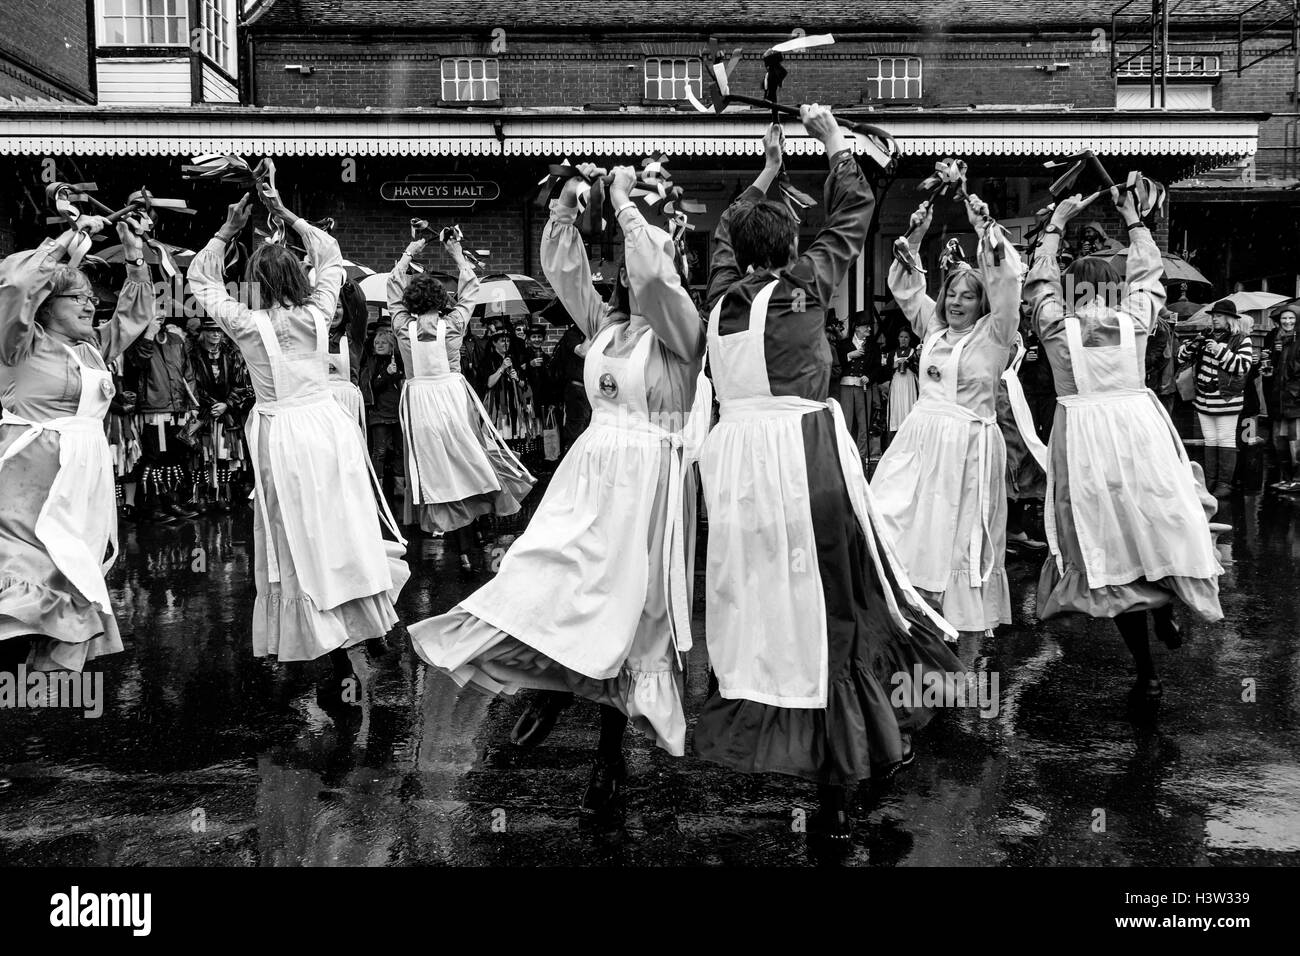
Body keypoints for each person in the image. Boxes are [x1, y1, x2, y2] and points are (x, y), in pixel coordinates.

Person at [409, 162, 708, 817]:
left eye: (638, 260)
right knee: (545, 575)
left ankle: (604, 751)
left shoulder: (682, 335)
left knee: (630, 614)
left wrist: (627, 206)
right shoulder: (605, 323)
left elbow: (657, 277)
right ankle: (551, 682)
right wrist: (569, 206)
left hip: (648, 490)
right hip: (590, 476)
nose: (628, 271)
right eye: (626, 261)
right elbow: (564, 269)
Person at [694, 110, 960, 845]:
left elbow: (723, 235)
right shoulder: (805, 285)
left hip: (737, 469)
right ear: (787, 247)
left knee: (769, 610)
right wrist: (833, 141)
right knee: (833, 611)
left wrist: (767, 175)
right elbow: (852, 212)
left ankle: (795, 738)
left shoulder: (716, 297)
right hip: (803, 456)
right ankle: (841, 785)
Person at [187, 183, 409, 708]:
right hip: (327, 427)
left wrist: (229, 229)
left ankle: (329, 646)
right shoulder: (318, 311)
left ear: (259, 283)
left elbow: (200, 279)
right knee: (341, 524)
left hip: (282, 432)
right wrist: (283, 210)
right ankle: (363, 619)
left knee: (296, 538)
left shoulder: (244, 323)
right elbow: (330, 256)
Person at [1025, 188, 1222, 704]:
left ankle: (1146, 668)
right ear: (1115, 290)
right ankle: (1165, 608)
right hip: (1138, 433)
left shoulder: (1055, 326)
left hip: (1086, 443)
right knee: (1153, 525)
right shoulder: (1135, 320)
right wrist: (1135, 220)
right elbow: (1150, 275)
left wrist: (1054, 228)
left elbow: (1037, 286)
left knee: (1109, 548)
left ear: (1071, 294)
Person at [0, 215, 153, 672]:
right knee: (19, 584)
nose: (90, 306)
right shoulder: (17, 345)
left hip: (80, 490)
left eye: (92, 298)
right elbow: (15, 283)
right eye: (77, 298)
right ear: (45, 304)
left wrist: (134, 253)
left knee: (62, 582)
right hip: (27, 487)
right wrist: (69, 236)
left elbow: (136, 315)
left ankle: (21, 675)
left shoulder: (91, 348)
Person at [876, 194, 1023, 633]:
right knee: (892, 519)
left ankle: (966, 639)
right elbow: (907, 288)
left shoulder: (996, 335)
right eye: (952, 294)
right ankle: (918, 621)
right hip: (920, 448)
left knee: (961, 543)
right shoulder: (933, 328)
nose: (957, 302)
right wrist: (916, 235)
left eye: (968, 296)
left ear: (983, 304)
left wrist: (985, 231)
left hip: (969, 452)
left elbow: (1007, 288)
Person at [386, 227, 533, 571]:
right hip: (452, 397)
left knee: (438, 473)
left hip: (420, 403)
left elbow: (393, 284)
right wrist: (455, 252)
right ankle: (480, 528)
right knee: (473, 460)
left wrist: (411, 250)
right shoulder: (453, 324)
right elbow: (470, 288)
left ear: (410, 303)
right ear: (440, 301)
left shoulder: (400, 325)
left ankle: (463, 547)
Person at [128, 309, 200, 521]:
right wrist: (148, 333)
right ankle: (152, 506)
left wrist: (193, 403)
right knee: (153, 458)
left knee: (174, 457)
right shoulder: (137, 340)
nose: (159, 315)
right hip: (153, 408)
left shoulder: (176, 339)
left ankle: (172, 502)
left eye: (161, 312)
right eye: (153, 312)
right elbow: (137, 363)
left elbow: (188, 372)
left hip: (178, 407)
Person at [1178, 299, 1254, 497]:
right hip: (1203, 398)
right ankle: (1210, 481)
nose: (1214, 320)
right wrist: (1192, 346)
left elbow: (1242, 368)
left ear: (1230, 318)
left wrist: (1220, 352)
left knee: (1225, 439)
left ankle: (1224, 485)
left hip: (1226, 399)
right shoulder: (1205, 335)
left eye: (1218, 316)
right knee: (1210, 439)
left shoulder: (1241, 338)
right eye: (1213, 316)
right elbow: (1180, 358)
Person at [191, 316, 254, 512]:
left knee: (225, 456)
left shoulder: (232, 354)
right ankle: (200, 497)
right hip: (203, 412)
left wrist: (226, 404)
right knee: (201, 456)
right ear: (203, 333)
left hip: (227, 415)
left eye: (219, 330)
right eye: (211, 330)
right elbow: (191, 383)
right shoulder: (193, 355)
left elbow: (241, 385)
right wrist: (210, 405)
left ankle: (222, 497)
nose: (216, 334)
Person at [361, 325, 404, 501]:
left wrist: (397, 372)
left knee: (400, 450)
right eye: (377, 342)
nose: (379, 345)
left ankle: (399, 487)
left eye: (383, 343)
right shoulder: (372, 362)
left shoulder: (399, 361)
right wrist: (386, 374)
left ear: (391, 345)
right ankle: (377, 488)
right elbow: (372, 387)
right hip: (379, 414)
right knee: (380, 451)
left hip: (397, 412)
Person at [1262, 308, 1300, 491]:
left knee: (1296, 442)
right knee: (1280, 441)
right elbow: (1277, 372)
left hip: (1295, 402)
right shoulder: (1279, 341)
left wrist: (1294, 393)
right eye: (1284, 318)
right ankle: (1286, 478)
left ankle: (1298, 480)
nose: (1287, 321)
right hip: (1279, 400)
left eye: (1291, 318)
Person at [326, 278, 368, 431]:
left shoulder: (353, 336)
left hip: (348, 402)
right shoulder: (313, 338)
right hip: (321, 404)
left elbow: (360, 309)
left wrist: (341, 280)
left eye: (337, 306)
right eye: (328, 307)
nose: (332, 312)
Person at [836, 312, 878, 465]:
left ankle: (862, 456)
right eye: (866, 326)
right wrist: (849, 355)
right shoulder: (844, 344)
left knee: (863, 423)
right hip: (846, 386)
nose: (869, 329)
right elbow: (837, 363)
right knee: (846, 422)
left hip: (863, 386)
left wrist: (869, 376)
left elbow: (877, 366)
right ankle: (846, 456)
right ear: (857, 328)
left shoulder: (872, 345)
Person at [549, 321, 591, 453]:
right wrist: (592, 333)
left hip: (590, 389)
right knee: (576, 430)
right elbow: (583, 352)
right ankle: (571, 462)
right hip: (576, 389)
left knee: (588, 429)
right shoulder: (572, 334)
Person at [884, 325, 920, 450]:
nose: (903, 339)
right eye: (901, 337)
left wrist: (909, 363)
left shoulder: (914, 352)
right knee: (896, 410)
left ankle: (911, 443)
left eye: (906, 337)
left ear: (910, 339)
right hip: (897, 386)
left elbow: (919, 369)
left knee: (909, 407)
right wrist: (894, 365)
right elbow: (885, 371)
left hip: (909, 385)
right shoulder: (892, 353)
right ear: (898, 338)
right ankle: (895, 445)